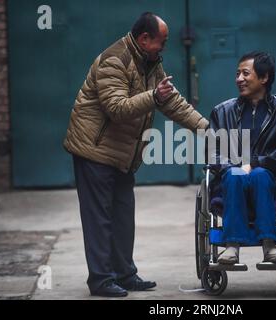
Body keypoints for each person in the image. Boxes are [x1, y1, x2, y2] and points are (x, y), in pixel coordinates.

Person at [63, 12, 208, 297]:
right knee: (99, 218)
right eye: (161, 41)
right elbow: (117, 108)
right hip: (95, 149)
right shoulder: (114, 61)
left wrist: (204, 128)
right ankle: (102, 280)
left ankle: (125, 274)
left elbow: (171, 101)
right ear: (144, 38)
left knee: (122, 217)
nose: (164, 47)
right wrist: (154, 97)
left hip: (123, 154)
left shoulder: (149, 61)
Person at [209, 51, 276, 265]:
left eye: (245, 73)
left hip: (272, 183)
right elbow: (213, 152)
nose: (239, 79)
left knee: (259, 174)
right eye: (237, 73)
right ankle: (232, 245)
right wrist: (235, 169)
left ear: (264, 77)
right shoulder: (222, 111)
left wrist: (255, 164)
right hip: (231, 183)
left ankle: (269, 245)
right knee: (234, 174)